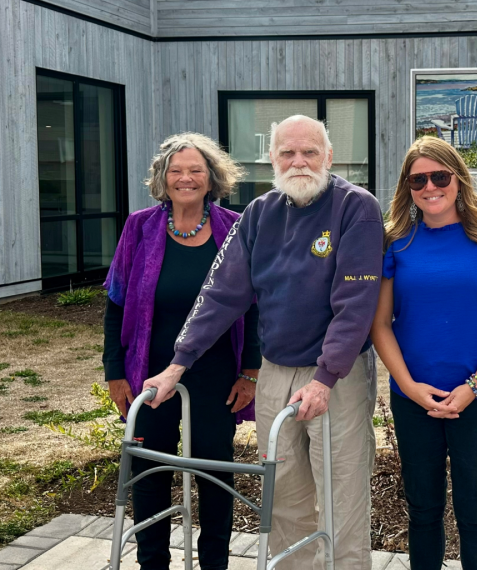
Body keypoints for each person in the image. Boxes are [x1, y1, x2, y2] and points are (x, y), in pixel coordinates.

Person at [144, 115, 384, 570]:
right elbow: (221, 293)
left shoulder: (356, 208)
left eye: (310, 152)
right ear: (271, 159)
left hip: (337, 375)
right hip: (275, 371)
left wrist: (325, 377)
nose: (299, 162)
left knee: (342, 497)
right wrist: (178, 364)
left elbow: (356, 302)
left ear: (329, 157)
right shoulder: (260, 214)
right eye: (287, 153)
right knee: (284, 495)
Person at [102, 133, 261, 570]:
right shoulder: (140, 227)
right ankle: (152, 563)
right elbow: (116, 303)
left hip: (218, 376)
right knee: (149, 473)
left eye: (195, 170)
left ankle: (215, 564)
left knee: (215, 475)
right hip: (149, 372)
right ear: (162, 178)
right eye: (176, 170)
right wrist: (115, 372)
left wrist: (249, 371)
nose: (185, 178)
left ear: (211, 178)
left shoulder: (236, 226)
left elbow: (254, 307)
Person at [370, 136, 477, 570]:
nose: (429, 186)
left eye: (439, 176)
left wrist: (473, 387)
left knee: (474, 513)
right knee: (422, 513)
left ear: (458, 179)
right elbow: (380, 323)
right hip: (414, 399)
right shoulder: (395, 244)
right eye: (417, 179)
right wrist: (408, 386)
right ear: (407, 187)